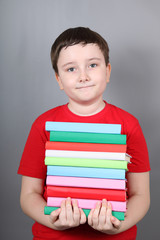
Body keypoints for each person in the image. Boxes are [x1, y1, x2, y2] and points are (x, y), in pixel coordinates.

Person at [18, 27, 150, 240]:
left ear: (107, 72)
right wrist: (54, 220)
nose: (83, 76)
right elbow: (28, 195)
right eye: (71, 69)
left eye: (92, 65)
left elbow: (141, 195)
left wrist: (118, 224)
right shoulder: (43, 125)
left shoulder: (129, 125)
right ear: (59, 79)